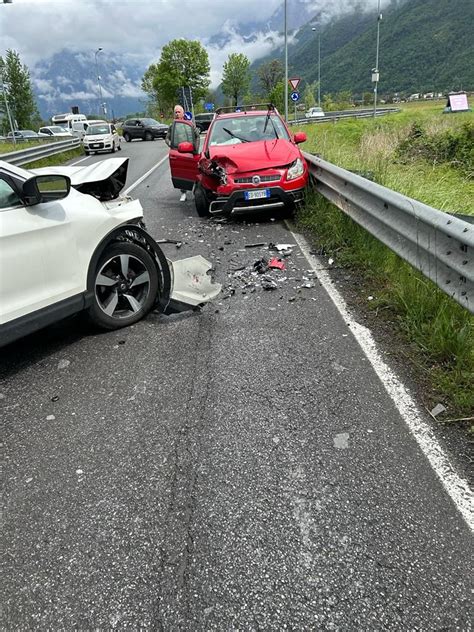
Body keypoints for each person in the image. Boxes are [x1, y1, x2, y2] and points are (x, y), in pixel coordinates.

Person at [166, 105, 199, 202]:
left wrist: (195, 150)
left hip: (191, 151)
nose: (177, 114)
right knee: (182, 173)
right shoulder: (173, 126)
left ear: (183, 113)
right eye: (175, 112)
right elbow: (167, 138)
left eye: (178, 112)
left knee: (195, 172)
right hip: (179, 152)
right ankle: (183, 193)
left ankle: (196, 191)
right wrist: (171, 145)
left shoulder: (190, 124)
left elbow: (197, 136)